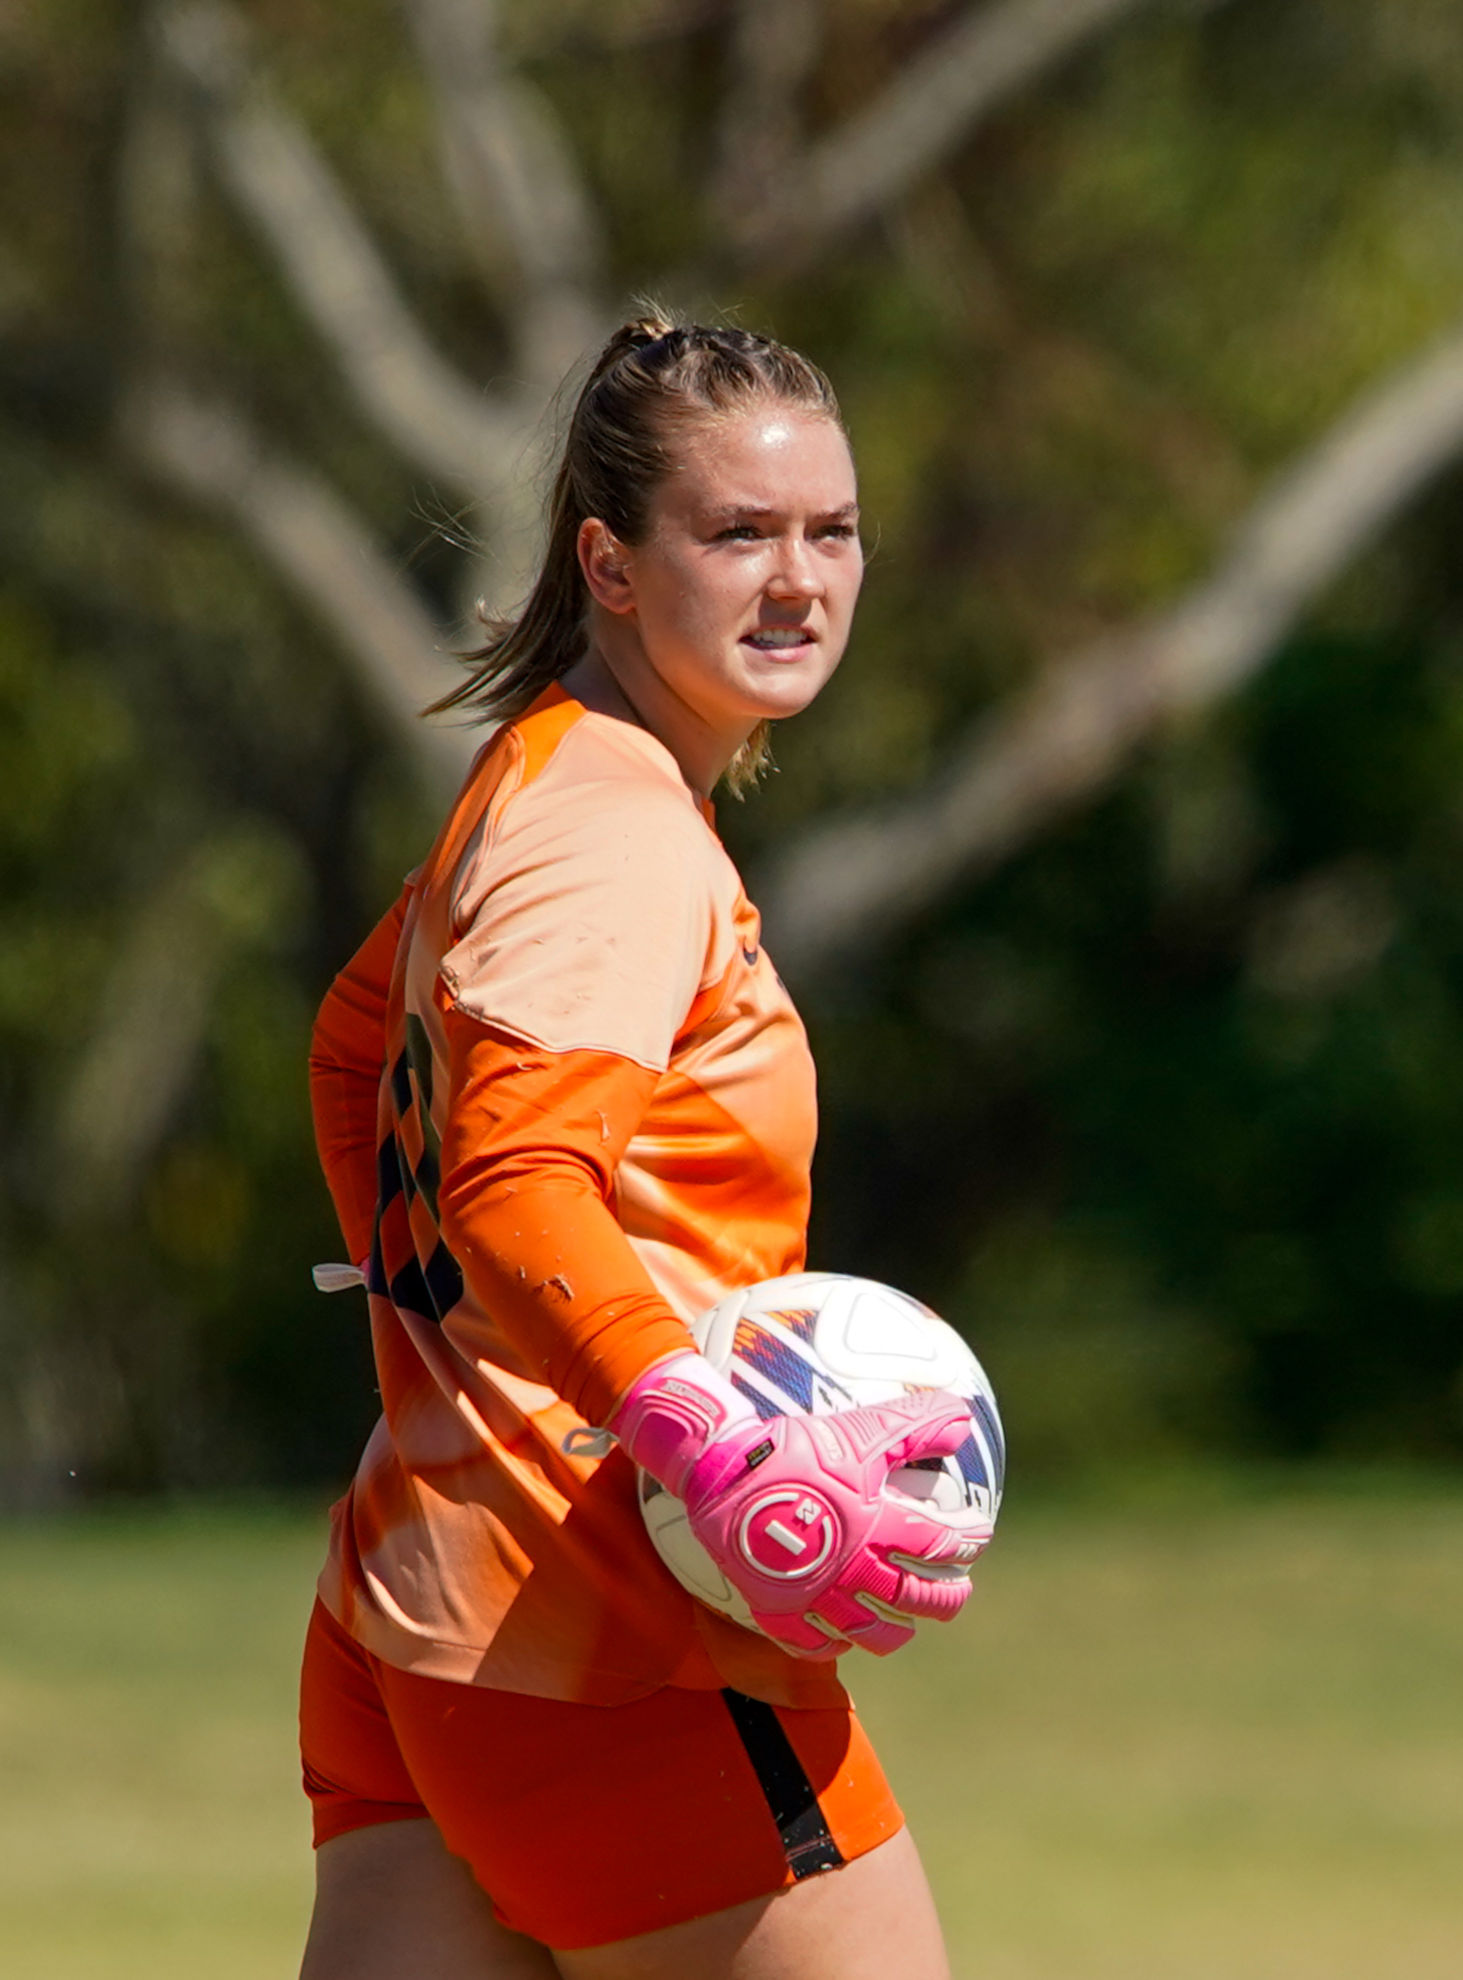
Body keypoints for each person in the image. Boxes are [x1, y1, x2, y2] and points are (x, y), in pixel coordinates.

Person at [298, 318, 986, 1980]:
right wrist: (707, 1440)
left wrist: (444, 1361)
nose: (798, 580)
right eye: (738, 533)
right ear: (609, 563)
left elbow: (356, 1045)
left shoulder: (539, 775)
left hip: (419, 1618)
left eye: (832, 530)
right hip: (612, 1647)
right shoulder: (612, 830)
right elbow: (517, 1182)